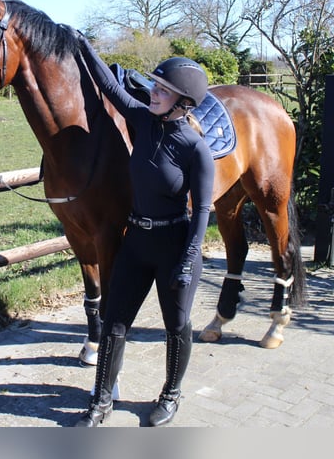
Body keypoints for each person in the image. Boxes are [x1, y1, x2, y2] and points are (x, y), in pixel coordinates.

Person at [75, 35, 215, 427]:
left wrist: (188, 260)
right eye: (155, 85)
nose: (152, 92)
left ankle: (171, 394)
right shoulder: (141, 119)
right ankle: (101, 401)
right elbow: (110, 86)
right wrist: (84, 45)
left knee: (177, 326)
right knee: (115, 320)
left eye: (162, 89)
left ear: (183, 101)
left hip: (175, 245)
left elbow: (203, 209)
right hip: (136, 242)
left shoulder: (194, 149)